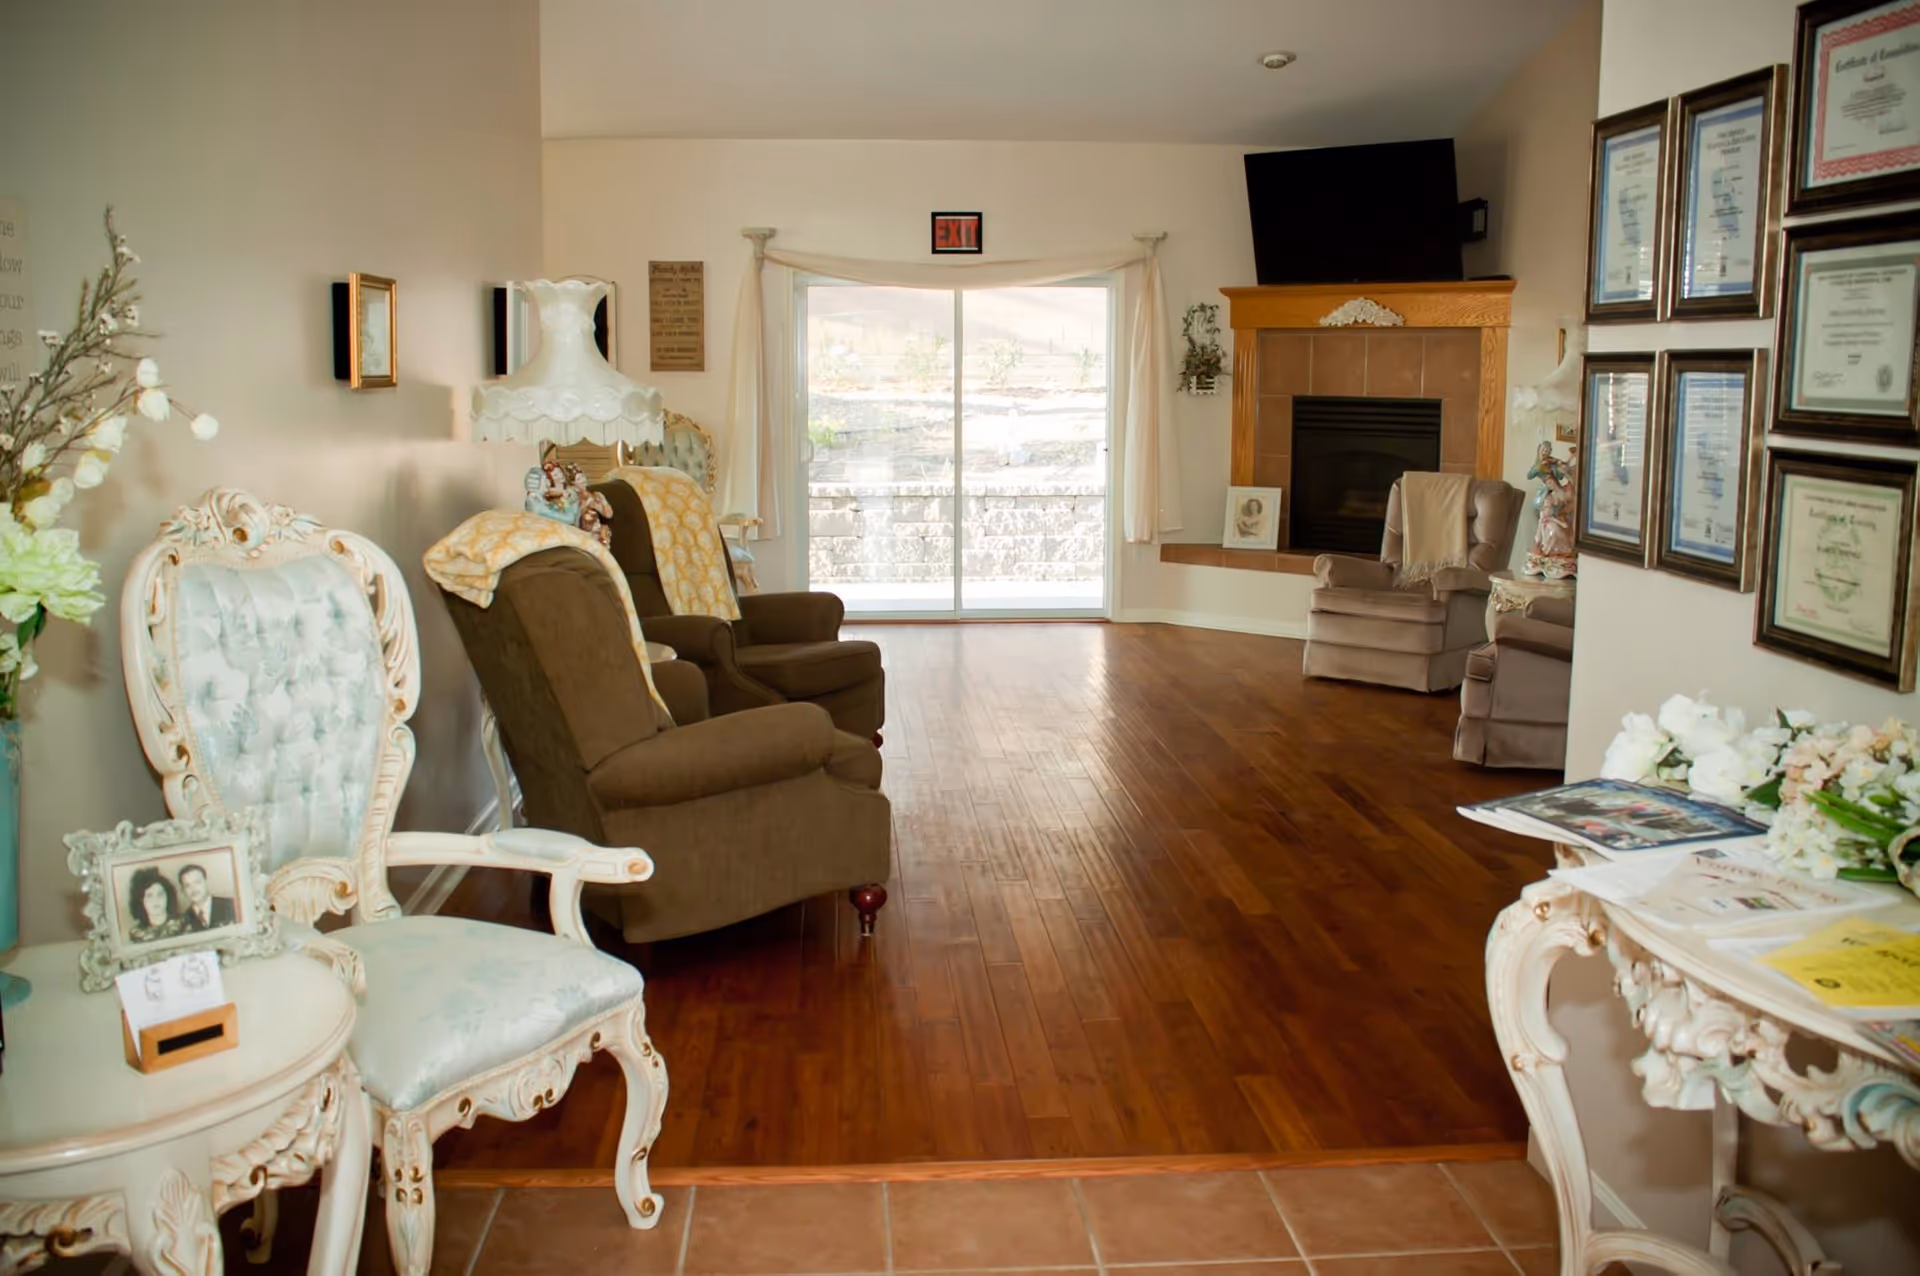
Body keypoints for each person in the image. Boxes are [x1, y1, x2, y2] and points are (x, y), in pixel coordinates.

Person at [126, 867, 186, 945]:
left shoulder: (183, 923)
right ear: (141, 901)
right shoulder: (136, 934)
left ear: (168, 897)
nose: (156, 900)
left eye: (160, 894)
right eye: (149, 896)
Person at [177, 863, 236, 932]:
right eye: (187, 885)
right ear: (183, 890)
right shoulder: (183, 920)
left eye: (197, 882)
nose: (193, 888)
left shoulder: (231, 905)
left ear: (206, 882)